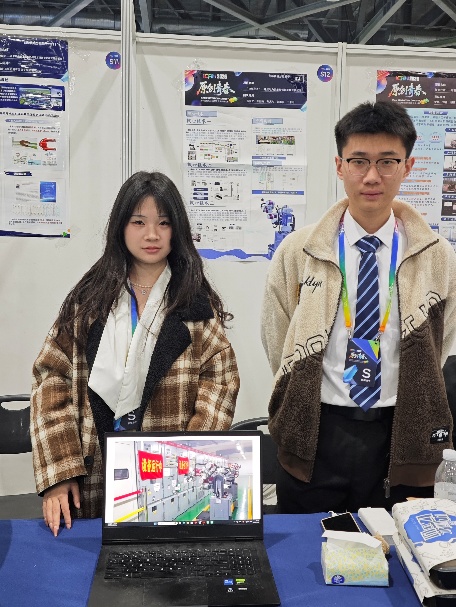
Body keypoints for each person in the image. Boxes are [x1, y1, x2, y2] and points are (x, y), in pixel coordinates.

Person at [261, 101, 456, 514]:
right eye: (359, 161)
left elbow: (442, 344)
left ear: (407, 166)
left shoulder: (437, 256)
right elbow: (278, 336)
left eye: (387, 161)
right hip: (317, 429)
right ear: (339, 165)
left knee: (392, 545)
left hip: (397, 433)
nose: (372, 176)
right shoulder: (300, 250)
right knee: (308, 542)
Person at [31, 171, 240, 535]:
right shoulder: (89, 301)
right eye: (139, 222)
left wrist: (189, 468)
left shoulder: (195, 306)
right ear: (121, 227)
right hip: (92, 473)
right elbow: (51, 377)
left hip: (169, 481)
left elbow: (221, 383)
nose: (152, 235)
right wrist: (59, 472)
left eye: (164, 223)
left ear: (177, 230)